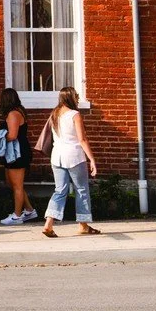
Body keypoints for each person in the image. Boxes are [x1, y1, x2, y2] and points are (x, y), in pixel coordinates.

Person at [42, 86, 100, 237]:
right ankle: (83, 225)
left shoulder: (54, 114)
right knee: (81, 190)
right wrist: (92, 159)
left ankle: (48, 223)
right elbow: (82, 139)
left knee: (60, 190)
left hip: (57, 156)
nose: (78, 98)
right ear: (70, 98)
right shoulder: (75, 115)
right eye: (76, 96)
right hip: (74, 157)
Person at [0, 88, 37, 225]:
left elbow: (13, 135)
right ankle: (29, 209)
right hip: (15, 152)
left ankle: (17, 216)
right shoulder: (18, 111)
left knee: (17, 185)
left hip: (17, 152)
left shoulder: (13, 114)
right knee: (12, 183)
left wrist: (0, 137)